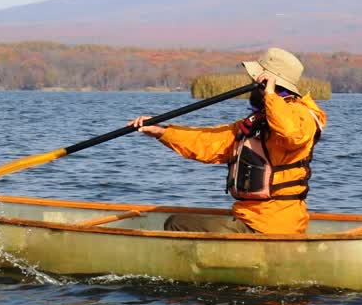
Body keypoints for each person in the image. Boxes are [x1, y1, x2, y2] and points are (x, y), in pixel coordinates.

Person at [129, 48, 326, 235]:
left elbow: (292, 133)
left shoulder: (302, 115)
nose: (252, 83)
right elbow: (209, 142)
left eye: (255, 80)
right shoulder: (257, 122)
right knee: (183, 222)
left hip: (271, 226)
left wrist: (270, 95)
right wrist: (161, 131)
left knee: (175, 224)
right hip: (250, 219)